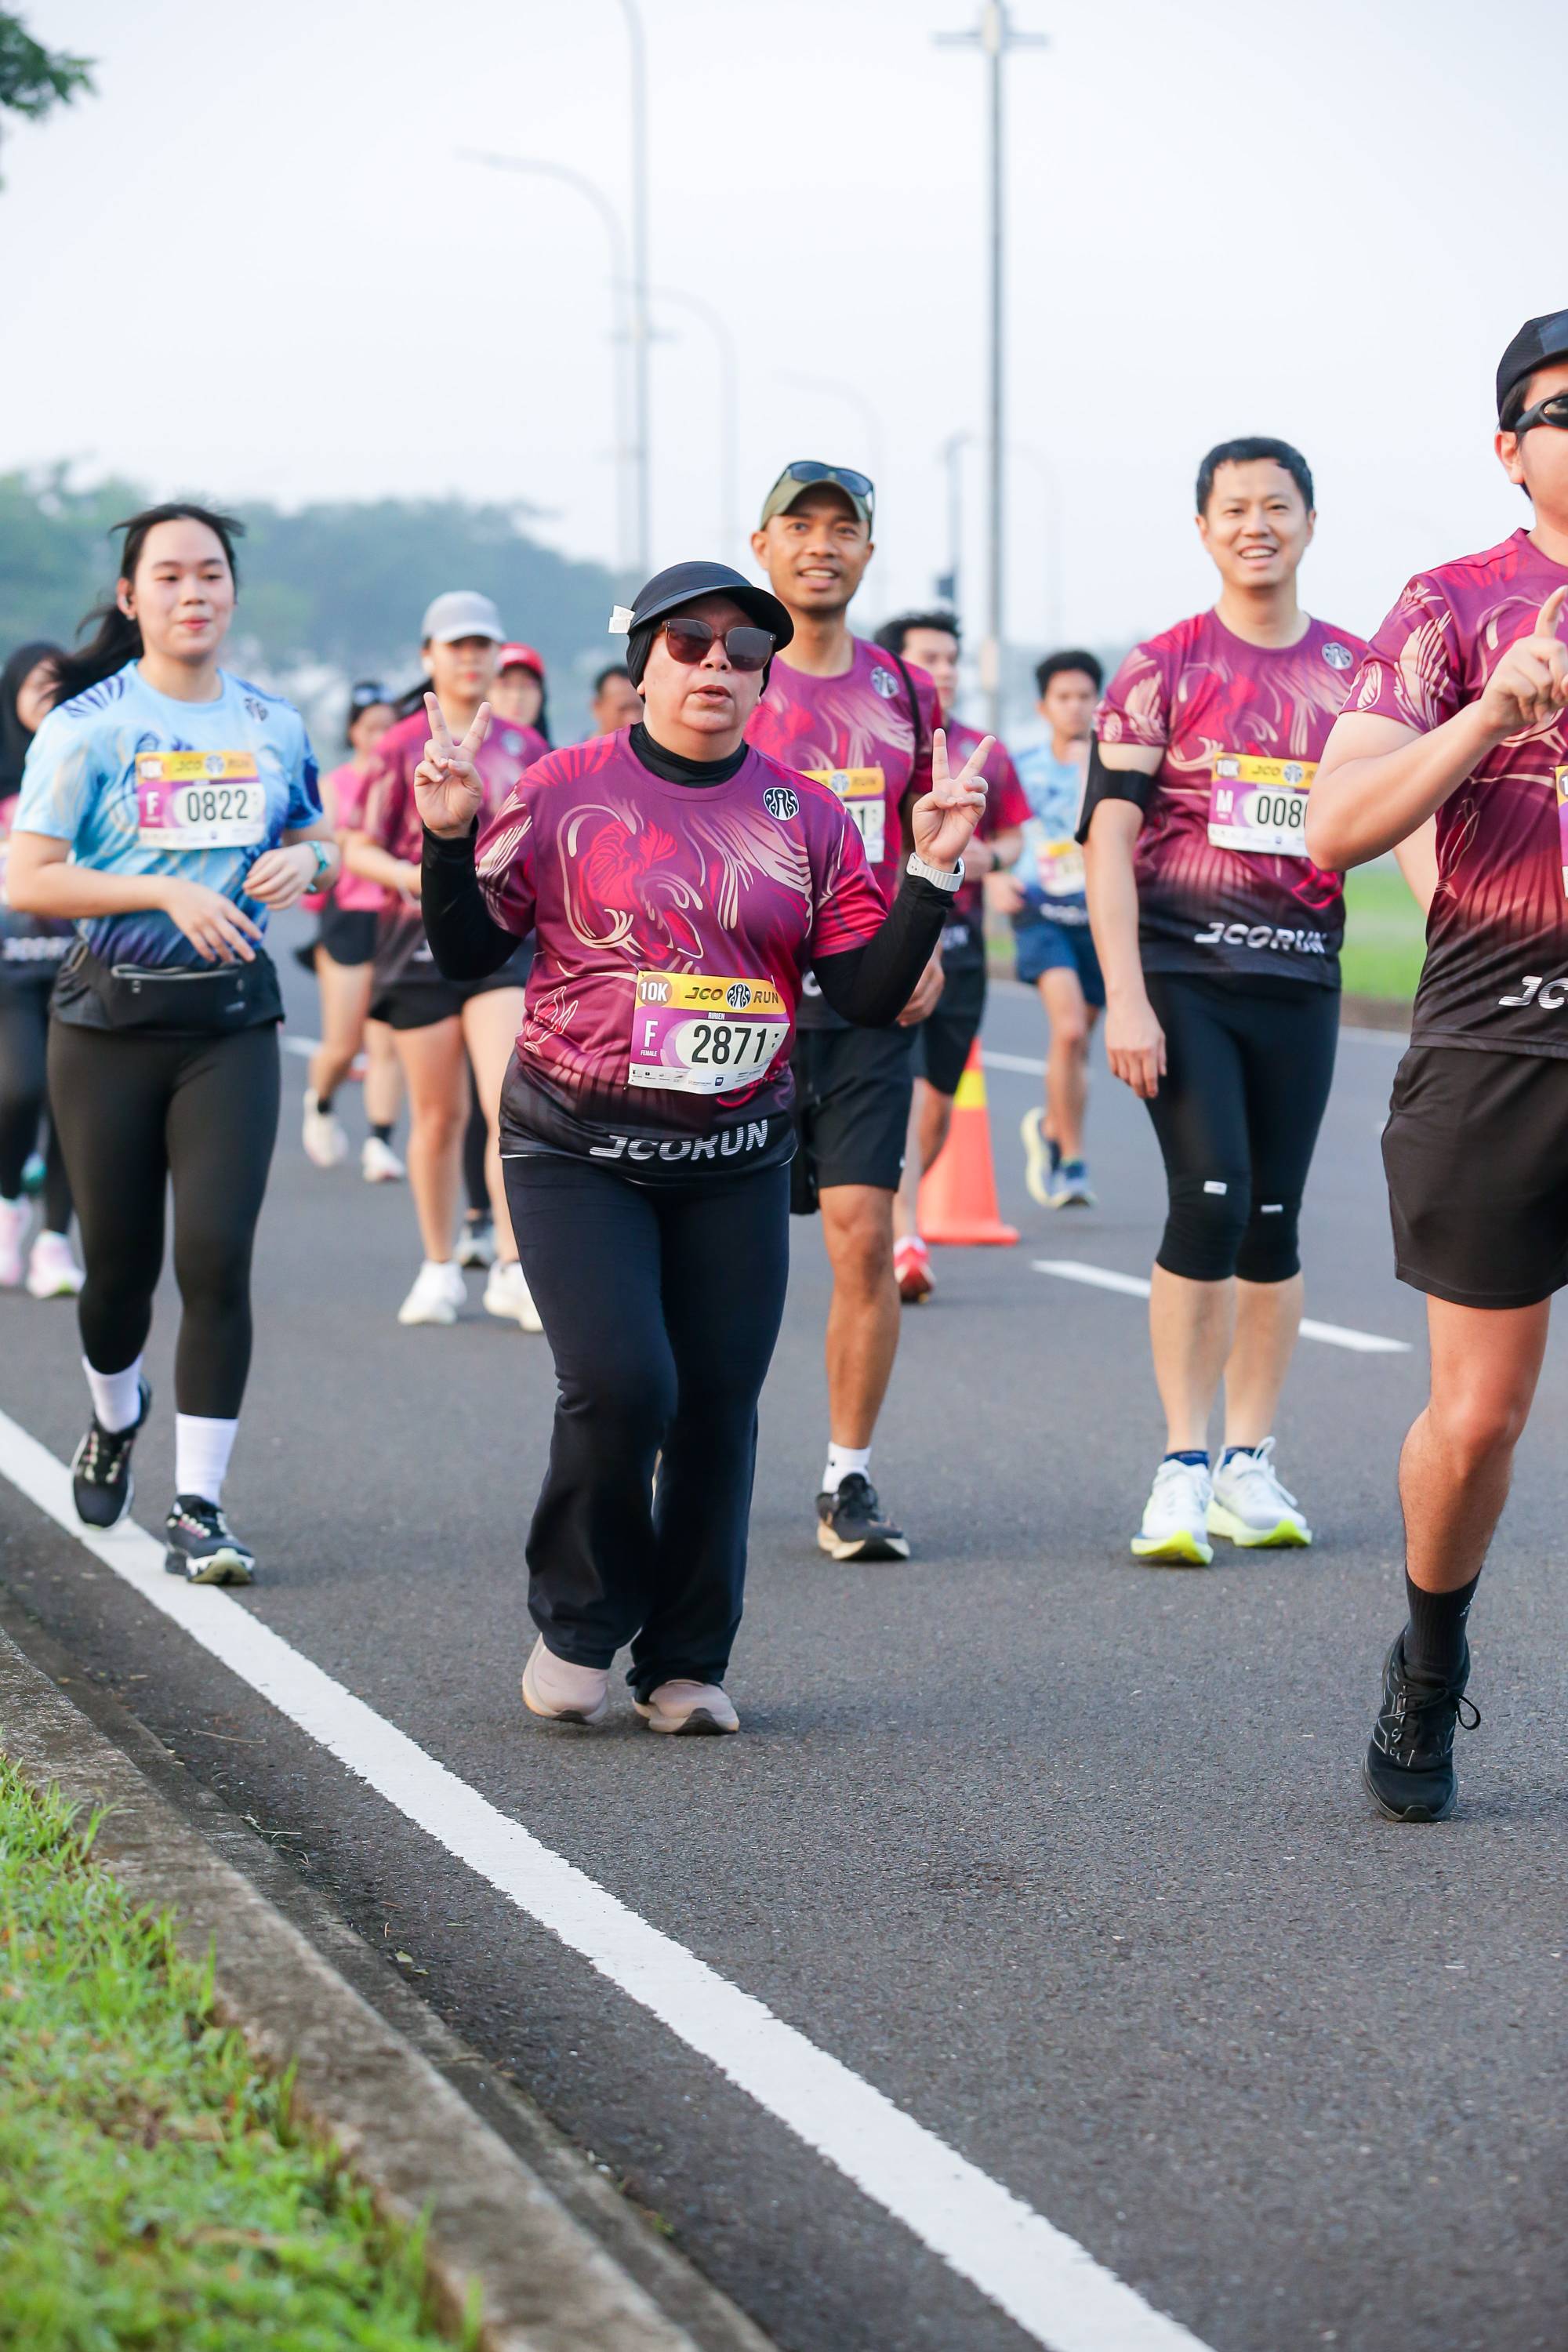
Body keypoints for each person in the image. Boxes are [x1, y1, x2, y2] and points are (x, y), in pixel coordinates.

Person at [415, 560, 989, 1733]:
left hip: (735, 1154)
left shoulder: (805, 815)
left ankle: (684, 1661)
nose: (718, 665)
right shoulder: (562, 789)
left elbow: (864, 993)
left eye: (745, 650)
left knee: (718, 1411)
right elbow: (471, 953)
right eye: (689, 644)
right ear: (643, 669)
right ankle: (577, 1621)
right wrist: (445, 838)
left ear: (766, 679)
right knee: (623, 1385)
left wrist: (929, 872)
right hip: (576, 1145)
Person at [1306, 308, 1568, 1823]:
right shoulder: (1452, 605)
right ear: (1510, 448)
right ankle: (1428, 1656)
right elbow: (1338, 827)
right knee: (1478, 1421)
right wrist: (1485, 712)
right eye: (1563, 407)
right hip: (1501, 1041)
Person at [6, 503, 334, 1582]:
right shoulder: (87, 726)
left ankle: (200, 1508)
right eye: (171, 575)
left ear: (232, 591)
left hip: (230, 1025)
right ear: (130, 596)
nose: (194, 592)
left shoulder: (273, 723)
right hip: (106, 1025)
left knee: (216, 1259)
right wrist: (158, 889)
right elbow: (28, 876)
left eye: (211, 574)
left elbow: (317, 836)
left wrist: (311, 863)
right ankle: (114, 1414)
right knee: (117, 1277)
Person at [1079, 438, 1367, 1566]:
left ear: (1309, 523)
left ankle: (1248, 1461)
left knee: (1274, 1220)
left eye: (1276, 506)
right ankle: (1181, 1465)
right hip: (1184, 976)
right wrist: (1124, 997)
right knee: (1210, 1200)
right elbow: (1107, 838)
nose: (1257, 525)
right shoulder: (1162, 667)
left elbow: (1404, 811)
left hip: (1301, 977)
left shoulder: (1355, 672)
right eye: (1234, 508)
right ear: (1202, 529)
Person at [745, 462, 942, 1559]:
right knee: (721, 1257)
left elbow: (928, 833)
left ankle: (846, 1478)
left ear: (867, 551)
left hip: (865, 1007)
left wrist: (931, 945)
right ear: (762, 545)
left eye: (842, 529)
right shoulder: (725, 671)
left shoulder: (902, 691)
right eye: (799, 525)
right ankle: (690, 1457)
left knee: (864, 1239)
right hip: (740, 1012)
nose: (821, 545)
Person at [345, 593, 541, 1330]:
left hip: (500, 947)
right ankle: (437, 1266)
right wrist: (428, 876)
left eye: (482, 645)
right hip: (415, 946)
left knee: (508, 1104)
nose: (470, 658)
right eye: (455, 646)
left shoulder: (526, 745)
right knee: (436, 1116)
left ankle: (513, 1267)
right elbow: (355, 845)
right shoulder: (399, 746)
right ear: (428, 656)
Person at [873, 610, 1027, 1305]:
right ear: (895, 669)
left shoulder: (983, 751)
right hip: (892, 943)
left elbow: (1015, 834)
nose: (942, 671)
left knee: (936, 1105)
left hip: (962, 948)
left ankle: (892, 1210)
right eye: (926, 658)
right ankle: (902, 1231)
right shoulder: (880, 744)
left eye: (950, 658)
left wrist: (990, 857)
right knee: (900, 1094)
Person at [1004, 651, 1105, 1209]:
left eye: (1085, 697)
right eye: (1064, 698)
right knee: (1067, 1031)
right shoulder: (1019, 766)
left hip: (1099, 914)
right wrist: (995, 878)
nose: (1075, 707)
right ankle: (1072, 1163)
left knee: (1078, 1043)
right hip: (1039, 908)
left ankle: (1050, 1129)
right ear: (1043, 706)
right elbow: (992, 832)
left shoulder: (1114, 767)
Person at [0, 641, 83, 1298]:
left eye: (62, 688)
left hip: (82, 964)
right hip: (8, 971)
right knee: (19, 1090)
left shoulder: (90, 764)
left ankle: (55, 1241)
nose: (50, 699)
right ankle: (8, 1212)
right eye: (38, 687)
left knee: (74, 1105)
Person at [299, 680, 406, 1182]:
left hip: (395, 923)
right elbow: (320, 852)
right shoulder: (334, 785)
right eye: (371, 728)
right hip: (346, 920)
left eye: (389, 727)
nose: (381, 737)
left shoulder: (409, 779)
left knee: (385, 1043)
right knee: (343, 1045)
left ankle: (380, 1143)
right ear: (354, 733)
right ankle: (320, 1103)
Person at [492, 642, 550, 746]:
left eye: (527, 685)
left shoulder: (559, 756)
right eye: (505, 685)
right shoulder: (467, 754)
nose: (516, 696)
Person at [590, 662, 642, 736]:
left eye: (638, 708)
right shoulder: (578, 744)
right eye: (623, 709)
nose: (633, 719)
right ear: (597, 707)